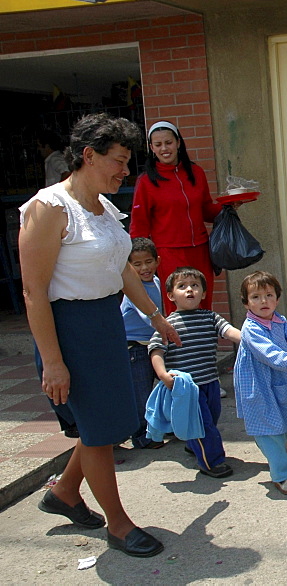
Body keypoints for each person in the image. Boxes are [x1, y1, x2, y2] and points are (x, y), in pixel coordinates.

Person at [20, 112, 179, 558]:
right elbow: (34, 292)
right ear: (88, 156)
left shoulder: (105, 207)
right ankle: (120, 525)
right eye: (119, 161)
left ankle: (64, 492)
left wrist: (155, 317)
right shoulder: (48, 208)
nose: (125, 171)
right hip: (69, 330)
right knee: (96, 430)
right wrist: (53, 361)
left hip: (107, 325)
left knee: (106, 424)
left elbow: (123, 268)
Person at [149, 267, 241, 478]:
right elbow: (156, 350)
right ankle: (211, 462)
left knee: (211, 418)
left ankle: (194, 444)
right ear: (171, 296)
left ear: (204, 293)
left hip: (210, 382)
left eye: (195, 285)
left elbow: (230, 332)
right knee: (203, 424)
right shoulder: (168, 324)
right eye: (182, 286)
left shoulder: (210, 317)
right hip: (186, 388)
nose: (189, 290)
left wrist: (250, 339)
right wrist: (163, 375)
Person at [129, 121, 223, 314]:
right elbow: (139, 225)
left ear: (178, 143)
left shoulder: (196, 172)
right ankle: (179, 345)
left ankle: (205, 344)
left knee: (203, 302)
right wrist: (139, 261)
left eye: (168, 142)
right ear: (151, 148)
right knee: (177, 307)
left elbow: (205, 210)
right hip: (168, 253)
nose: (164, 148)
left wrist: (228, 207)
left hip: (200, 250)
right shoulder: (146, 181)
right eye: (158, 144)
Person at [233, 271, 287, 495]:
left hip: (283, 380)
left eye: (269, 295)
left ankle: (268, 445)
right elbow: (268, 353)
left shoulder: (280, 321)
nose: (263, 301)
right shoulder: (251, 328)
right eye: (256, 297)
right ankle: (282, 475)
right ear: (246, 302)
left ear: (277, 298)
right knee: (269, 426)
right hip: (258, 385)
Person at [119, 237, 165, 449]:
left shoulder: (155, 282)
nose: (144, 268)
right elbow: (149, 316)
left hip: (152, 345)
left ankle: (165, 424)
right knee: (141, 393)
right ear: (128, 267)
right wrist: (166, 329)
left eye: (148, 261)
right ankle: (141, 435)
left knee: (168, 384)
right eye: (137, 264)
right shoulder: (133, 289)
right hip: (134, 348)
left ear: (157, 261)